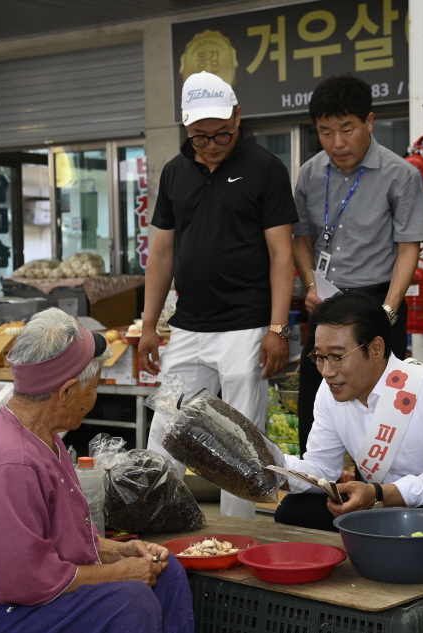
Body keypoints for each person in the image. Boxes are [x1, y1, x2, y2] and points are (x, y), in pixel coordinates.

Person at [0, 308, 194, 633]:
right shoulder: (11, 463)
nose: (94, 395)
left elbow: (55, 543)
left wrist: (117, 551)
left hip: (20, 594)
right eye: (93, 387)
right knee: (129, 600)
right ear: (66, 393)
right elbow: (24, 581)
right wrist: (119, 573)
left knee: (166, 572)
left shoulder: (43, 439)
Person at [140, 71, 296, 519]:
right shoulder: (174, 172)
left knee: (240, 444)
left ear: (238, 116)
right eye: (200, 137)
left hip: (246, 326)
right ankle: (153, 523)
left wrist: (277, 328)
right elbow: (162, 253)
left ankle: (238, 535)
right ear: (186, 127)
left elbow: (281, 254)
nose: (211, 144)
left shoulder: (265, 168)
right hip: (187, 326)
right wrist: (150, 325)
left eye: (222, 134)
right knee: (165, 430)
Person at [273, 291, 423, 558]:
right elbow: (322, 469)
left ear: (376, 348)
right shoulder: (329, 391)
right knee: (293, 511)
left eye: (337, 356)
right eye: (320, 357)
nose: (326, 371)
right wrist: (270, 466)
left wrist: (377, 493)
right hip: (377, 504)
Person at [293, 74, 423, 455]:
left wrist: (389, 308)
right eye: (325, 132)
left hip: (376, 303)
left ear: (369, 122)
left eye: (347, 129)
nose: (337, 143)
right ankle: (317, 487)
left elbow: (408, 249)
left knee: (385, 409)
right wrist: (310, 284)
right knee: (316, 401)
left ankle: (387, 494)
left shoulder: (401, 175)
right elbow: (301, 240)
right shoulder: (309, 173)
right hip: (326, 303)